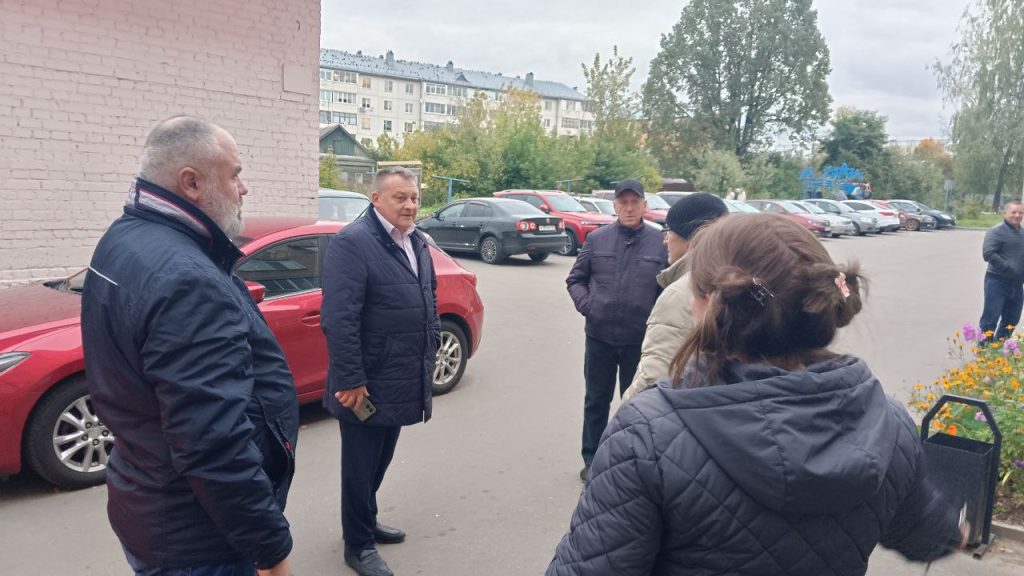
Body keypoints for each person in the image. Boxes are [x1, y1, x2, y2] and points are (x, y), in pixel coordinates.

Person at [548, 213, 965, 576]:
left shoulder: (647, 434)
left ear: (708, 305)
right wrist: (954, 530)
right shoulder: (887, 423)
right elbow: (929, 535)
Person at [80, 116, 296, 576]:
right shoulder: (187, 279)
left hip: (149, 501)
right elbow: (214, 444)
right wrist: (271, 553)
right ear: (192, 183)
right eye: (235, 175)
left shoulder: (123, 238)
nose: (244, 189)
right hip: (199, 539)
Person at [321, 167, 440, 576]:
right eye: (399, 197)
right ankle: (357, 545)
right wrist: (351, 379)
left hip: (401, 375)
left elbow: (429, 296)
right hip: (365, 384)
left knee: (380, 460)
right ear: (376, 199)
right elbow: (339, 319)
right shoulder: (352, 243)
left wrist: (432, 344)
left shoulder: (416, 241)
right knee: (359, 467)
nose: (410, 205)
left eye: (414, 197)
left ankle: (366, 520)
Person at [566, 179, 667, 482]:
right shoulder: (597, 240)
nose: (629, 208)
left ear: (644, 205)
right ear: (615, 206)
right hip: (600, 338)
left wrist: (655, 318)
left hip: (639, 341)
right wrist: (590, 306)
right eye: (623, 202)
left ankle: (630, 463)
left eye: (635, 202)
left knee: (636, 404)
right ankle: (592, 460)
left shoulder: (659, 243)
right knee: (596, 400)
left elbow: (668, 289)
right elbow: (575, 280)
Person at [622, 193, 728, 403]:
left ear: (690, 237)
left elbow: (654, 378)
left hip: (679, 411)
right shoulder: (735, 278)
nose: (664, 240)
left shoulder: (682, 292)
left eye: (668, 231)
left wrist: (624, 414)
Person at [980, 200, 1024, 340]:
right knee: (990, 320)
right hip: (997, 282)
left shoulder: (1022, 233)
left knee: (1012, 320)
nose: (1017, 215)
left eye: (1020, 212)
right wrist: (1009, 269)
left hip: (1017, 285)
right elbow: (988, 254)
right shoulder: (996, 231)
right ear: (1005, 213)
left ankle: (999, 348)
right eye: (1013, 212)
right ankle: (984, 350)